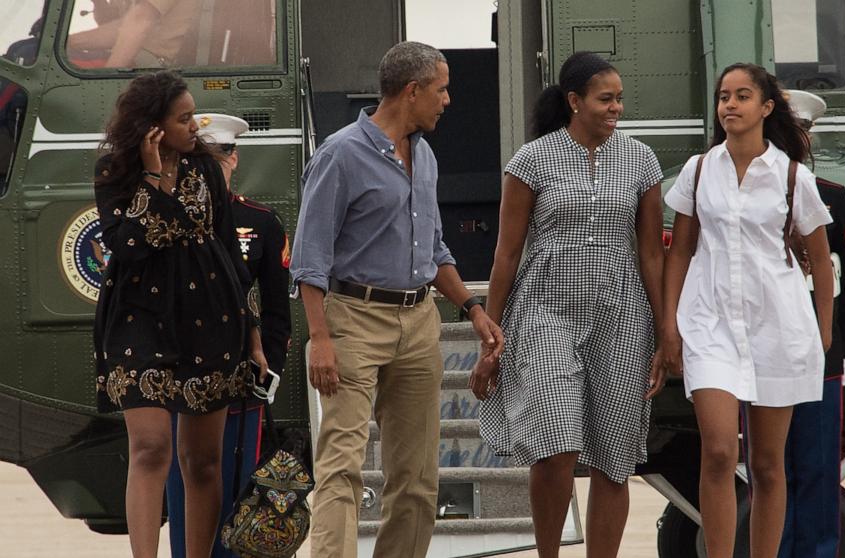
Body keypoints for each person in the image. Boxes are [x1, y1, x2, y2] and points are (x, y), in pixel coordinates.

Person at [290, 41, 503, 558]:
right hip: (353, 320)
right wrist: (320, 337)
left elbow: (434, 251)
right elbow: (309, 256)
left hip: (417, 321)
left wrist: (473, 309)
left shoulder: (424, 155)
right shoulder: (340, 154)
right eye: (441, 88)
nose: (448, 100)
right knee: (341, 466)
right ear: (412, 91)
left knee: (416, 478)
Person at [470, 51, 666, 558]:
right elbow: (507, 251)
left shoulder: (642, 161)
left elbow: (650, 252)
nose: (616, 107)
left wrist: (667, 331)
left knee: (614, 455)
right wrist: (490, 331)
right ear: (574, 101)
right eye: (606, 99)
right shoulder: (531, 160)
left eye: (620, 98)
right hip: (544, 314)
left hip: (622, 317)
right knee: (557, 446)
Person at [660, 63, 835, 558]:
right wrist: (669, 326)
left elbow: (821, 262)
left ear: (766, 107)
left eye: (741, 96)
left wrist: (820, 335)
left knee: (767, 464)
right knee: (718, 450)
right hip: (709, 323)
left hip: (778, 327)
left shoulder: (793, 176)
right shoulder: (698, 170)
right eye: (723, 97)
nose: (729, 105)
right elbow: (680, 251)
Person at [93, 70, 265, 558]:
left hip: (210, 316)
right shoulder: (115, 172)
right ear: (152, 126)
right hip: (138, 319)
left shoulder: (206, 169)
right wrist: (150, 174)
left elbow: (231, 251)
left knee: (203, 461)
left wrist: (252, 336)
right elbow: (128, 246)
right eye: (184, 118)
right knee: (150, 449)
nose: (195, 127)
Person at [164, 113, 292, 558]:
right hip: (183, 375)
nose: (210, 166)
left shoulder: (259, 221)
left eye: (219, 156)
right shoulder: (169, 217)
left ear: (234, 159)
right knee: (184, 488)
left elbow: (278, 312)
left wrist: (268, 374)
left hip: (242, 381)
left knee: (239, 495)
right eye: (201, 157)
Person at [770, 90, 845, 558]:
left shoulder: (831, 197)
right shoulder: (749, 191)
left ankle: (819, 552)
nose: (796, 140)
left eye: (801, 132)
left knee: (819, 466)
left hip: (820, 347)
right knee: (771, 469)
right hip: (768, 345)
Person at [67, 0, 200, 68]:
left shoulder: (142, 15)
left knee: (67, 66)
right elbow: (119, 28)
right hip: (133, 54)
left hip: (150, 64)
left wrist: (105, 75)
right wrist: (69, 43)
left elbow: (140, 21)